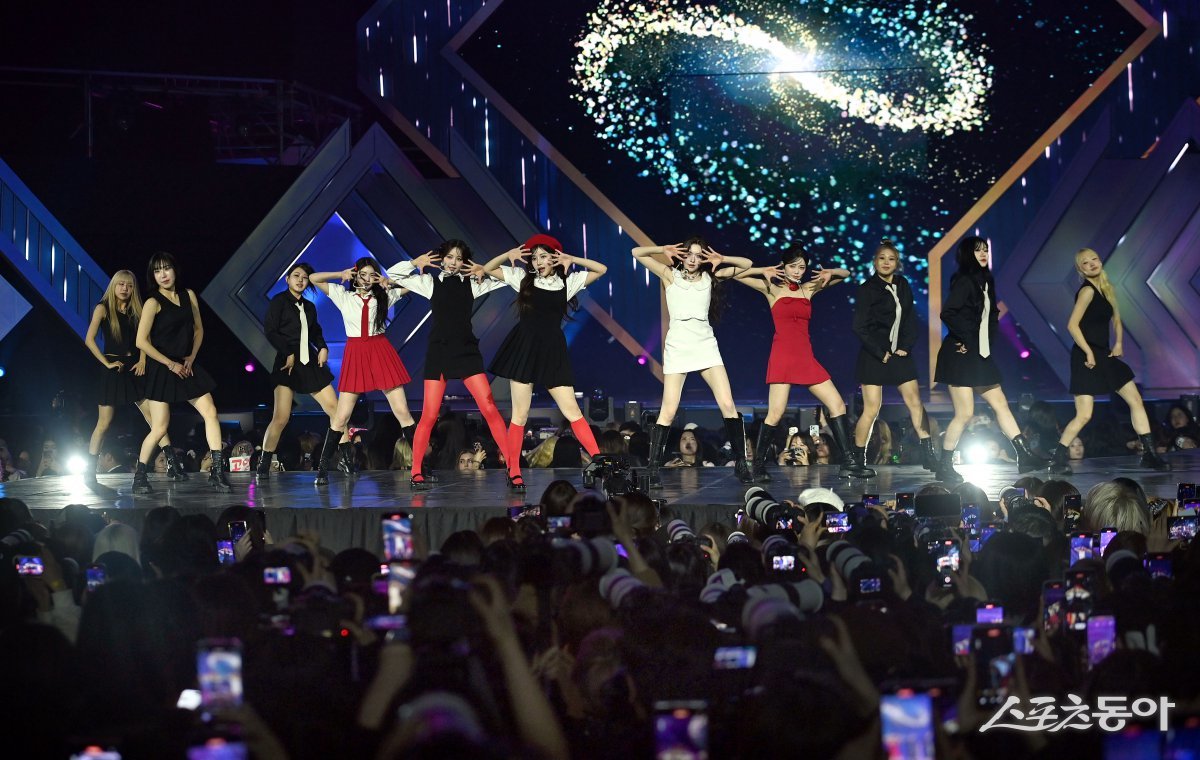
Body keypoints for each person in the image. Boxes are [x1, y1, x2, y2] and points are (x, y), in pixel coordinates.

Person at [480, 234, 608, 492]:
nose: (538, 261)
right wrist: (508, 255)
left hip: (552, 351)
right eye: (535, 257)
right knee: (520, 414)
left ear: (554, 257)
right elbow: (488, 269)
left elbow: (601, 269)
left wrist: (571, 259)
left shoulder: (568, 282)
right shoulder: (523, 279)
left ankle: (599, 463)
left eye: (543, 256)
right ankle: (514, 472)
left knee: (573, 411)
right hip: (524, 348)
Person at [731, 243, 869, 479]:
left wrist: (831, 272)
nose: (797, 271)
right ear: (783, 266)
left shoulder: (809, 288)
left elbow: (846, 274)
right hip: (783, 356)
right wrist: (762, 270)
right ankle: (759, 466)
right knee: (775, 413)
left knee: (837, 405)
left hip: (806, 357)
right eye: (793, 266)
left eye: (802, 267)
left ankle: (848, 462)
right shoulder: (772, 288)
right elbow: (736, 275)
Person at [387, 240, 512, 489]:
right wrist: (413, 263)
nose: (454, 262)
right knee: (429, 415)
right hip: (439, 352)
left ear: (464, 261)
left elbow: (509, 278)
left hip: (466, 351)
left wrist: (485, 269)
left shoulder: (473, 283)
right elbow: (392, 275)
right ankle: (416, 472)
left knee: (489, 408)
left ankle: (512, 467)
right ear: (442, 259)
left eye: (459, 258)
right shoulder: (429, 282)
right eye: (450, 257)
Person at [631, 237, 755, 485]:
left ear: (703, 258)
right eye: (689, 254)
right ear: (682, 255)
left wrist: (722, 259)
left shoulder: (710, 277)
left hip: (705, 343)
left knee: (728, 403)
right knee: (668, 410)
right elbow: (637, 252)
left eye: (698, 255)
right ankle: (653, 467)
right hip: (678, 345)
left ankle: (741, 463)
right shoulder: (670, 275)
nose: (692, 259)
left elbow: (747, 264)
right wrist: (662, 249)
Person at [932, 237, 1048, 483]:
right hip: (960, 353)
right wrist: (967, 339)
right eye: (978, 251)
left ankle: (1024, 455)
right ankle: (944, 465)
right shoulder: (964, 281)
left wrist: (986, 342)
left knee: (1001, 404)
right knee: (964, 413)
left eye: (985, 250)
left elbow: (991, 316)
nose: (983, 254)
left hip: (979, 353)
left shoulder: (986, 280)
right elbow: (948, 312)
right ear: (968, 254)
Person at [1049, 248, 1169, 474]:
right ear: (1080, 269)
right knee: (1084, 414)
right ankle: (1057, 458)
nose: (1092, 264)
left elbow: (1117, 320)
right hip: (1085, 356)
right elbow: (1072, 325)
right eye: (1086, 263)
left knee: (1135, 400)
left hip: (1104, 354)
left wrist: (1119, 342)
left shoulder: (1106, 288)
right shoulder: (1087, 291)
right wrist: (1088, 352)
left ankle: (1150, 454)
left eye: (1094, 259)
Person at [309, 258, 415, 486]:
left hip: (380, 350)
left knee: (402, 411)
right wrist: (340, 273)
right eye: (363, 274)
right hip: (356, 353)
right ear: (355, 275)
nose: (367, 279)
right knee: (341, 417)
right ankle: (322, 470)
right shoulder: (343, 296)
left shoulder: (384, 296)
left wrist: (389, 281)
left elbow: (416, 283)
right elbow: (313, 278)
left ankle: (421, 468)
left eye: (372, 275)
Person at [133, 252, 231, 493]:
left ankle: (217, 472)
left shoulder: (188, 295)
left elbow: (199, 329)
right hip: (162, 367)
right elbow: (141, 341)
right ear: (153, 276)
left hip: (186, 365)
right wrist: (170, 364)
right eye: (157, 271)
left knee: (211, 412)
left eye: (166, 268)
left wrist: (192, 357)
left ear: (175, 270)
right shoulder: (152, 302)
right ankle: (139, 477)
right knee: (159, 427)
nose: (163, 274)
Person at [82, 270, 183, 484]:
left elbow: (145, 338)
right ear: (114, 286)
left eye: (129, 285)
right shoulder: (103, 308)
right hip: (113, 369)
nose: (125, 289)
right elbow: (89, 339)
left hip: (135, 367)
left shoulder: (137, 309)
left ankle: (173, 464)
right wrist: (106, 363)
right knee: (104, 423)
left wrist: (143, 360)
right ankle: (89, 471)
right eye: (121, 284)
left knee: (154, 418)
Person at [851, 240, 937, 474]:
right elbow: (859, 326)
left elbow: (910, 319)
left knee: (915, 403)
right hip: (874, 355)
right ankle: (857, 461)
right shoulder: (868, 288)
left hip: (900, 353)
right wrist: (880, 352)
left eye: (891, 259)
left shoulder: (903, 284)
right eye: (882, 258)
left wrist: (906, 347)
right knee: (871, 409)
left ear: (897, 262)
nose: (886, 263)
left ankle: (929, 455)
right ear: (874, 262)